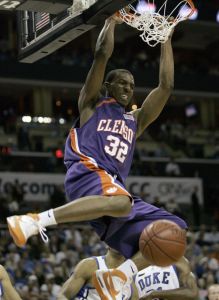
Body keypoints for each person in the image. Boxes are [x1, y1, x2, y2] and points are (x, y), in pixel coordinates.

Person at [7, 14, 187, 300]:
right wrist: (112, 21)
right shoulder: (91, 105)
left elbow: (165, 87)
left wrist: (166, 39)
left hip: (111, 191)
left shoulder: (135, 121)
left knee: (174, 233)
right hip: (86, 173)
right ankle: (34, 221)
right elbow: (102, 53)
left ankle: (120, 277)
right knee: (121, 202)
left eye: (131, 85)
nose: (129, 88)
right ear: (108, 86)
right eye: (122, 83)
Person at [57, 248, 198, 300]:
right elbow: (62, 295)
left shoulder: (131, 281)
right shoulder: (90, 265)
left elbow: (193, 293)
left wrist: (155, 294)